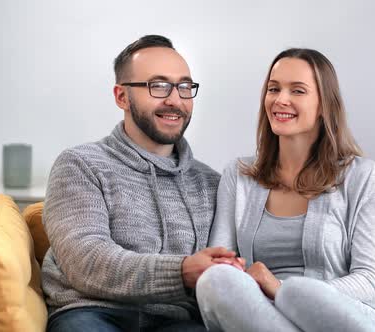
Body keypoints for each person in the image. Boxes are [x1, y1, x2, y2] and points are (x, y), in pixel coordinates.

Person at [195, 48, 375, 332]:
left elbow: (370, 282)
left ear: (324, 105)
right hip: (262, 316)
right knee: (215, 280)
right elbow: (222, 263)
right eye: (273, 89)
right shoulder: (238, 176)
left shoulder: (364, 176)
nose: (280, 99)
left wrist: (279, 287)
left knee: (300, 293)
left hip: (346, 314)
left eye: (297, 91)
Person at [42, 35, 241, 332]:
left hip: (178, 320)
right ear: (122, 96)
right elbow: (87, 263)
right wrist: (181, 272)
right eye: (158, 86)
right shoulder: (80, 165)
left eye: (184, 87)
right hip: (93, 313)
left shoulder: (211, 183)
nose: (175, 100)